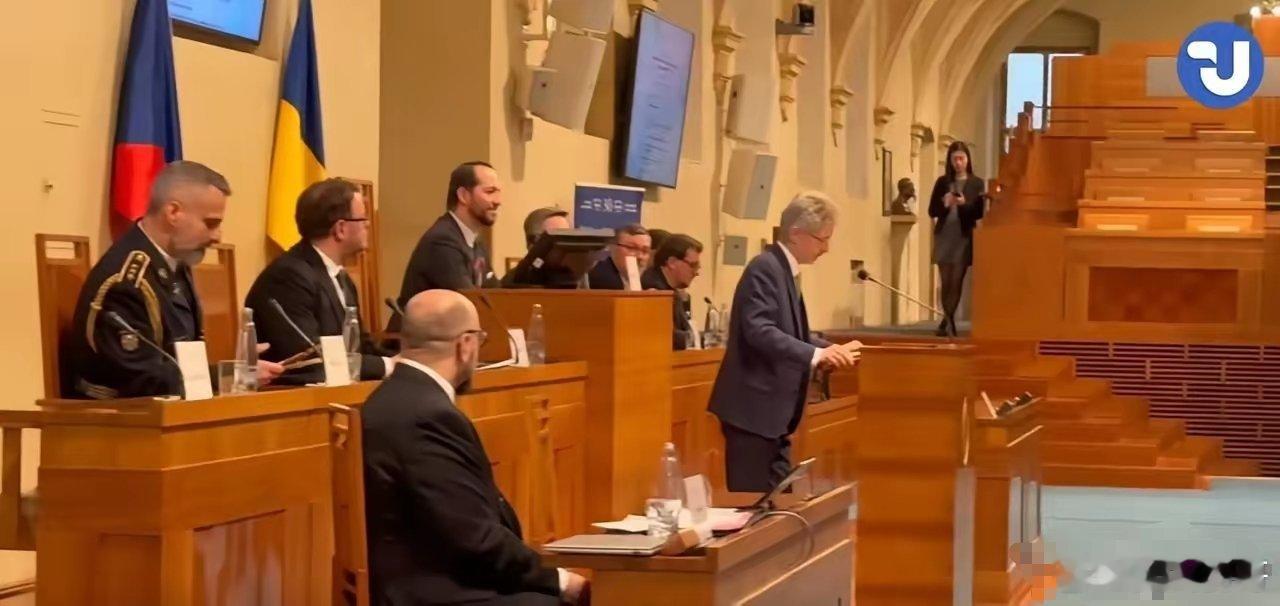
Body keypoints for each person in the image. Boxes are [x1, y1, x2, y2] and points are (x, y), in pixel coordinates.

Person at [362, 289, 589, 606]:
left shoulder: (390, 398)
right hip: (432, 591)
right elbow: (476, 540)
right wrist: (563, 582)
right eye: (480, 340)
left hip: (421, 574)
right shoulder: (428, 415)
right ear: (465, 344)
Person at [64, 161, 283, 399]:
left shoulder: (174, 262)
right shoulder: (126, 282)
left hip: (172, 408)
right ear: (173, 213)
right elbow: (143, 379)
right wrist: (230, 375)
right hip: (119, 415)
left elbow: (180, 361)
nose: (217, 236)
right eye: (210, 223)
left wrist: (235, 371)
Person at [707, 192, 861, 492]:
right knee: (754, 503)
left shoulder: (783, 270)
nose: (826, 248)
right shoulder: (764, 268)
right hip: (753, 412)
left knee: (778, 502)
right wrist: (815, 354)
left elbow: (791, 333)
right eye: (822, 239)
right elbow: (759, 330)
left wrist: (828, 349)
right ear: (796, 233)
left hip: (773, 418)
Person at [244, 178, 393, 384]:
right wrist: (388, 365)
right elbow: (308, 359)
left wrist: (406, 361)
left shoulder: (341, 278)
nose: (368, 224)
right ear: (340, 229)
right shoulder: (288, 277)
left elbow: (361, 346)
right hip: (295, 395)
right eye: (362, 219)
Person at [394, 161, 502, 317]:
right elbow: (469, 304)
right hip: (423, 331)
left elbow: (497, 295)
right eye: (490, 191)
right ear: (463, 196)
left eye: (498, 192)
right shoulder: (442, 241)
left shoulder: (476, 241)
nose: (498, 201)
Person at [928, 141, 985, 337]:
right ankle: (948, 319)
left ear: (967, 160)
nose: (958, 163)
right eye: (955, 159)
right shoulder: (942, 182)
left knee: (956, 279)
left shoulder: (976, 183)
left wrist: (964, 204)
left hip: (963, 236)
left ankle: (948, 320)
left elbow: (979, 212)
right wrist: (945, 203)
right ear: (950, 161)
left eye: (961, 159)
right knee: (945, 280)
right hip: (945, 234)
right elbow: (931, 211)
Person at [641, 234, 702, 350]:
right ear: (672, 262)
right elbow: (666, 337)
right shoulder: (653, 290)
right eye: (693, 265)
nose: (696, 273)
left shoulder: (672, 290)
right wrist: (701, 338)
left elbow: (686, 330)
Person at [585, 224, 650, 290]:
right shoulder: (602, 278)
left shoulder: (649, 279)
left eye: (645, 251)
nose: (639, 256)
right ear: (613, 248)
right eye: (631, 248)